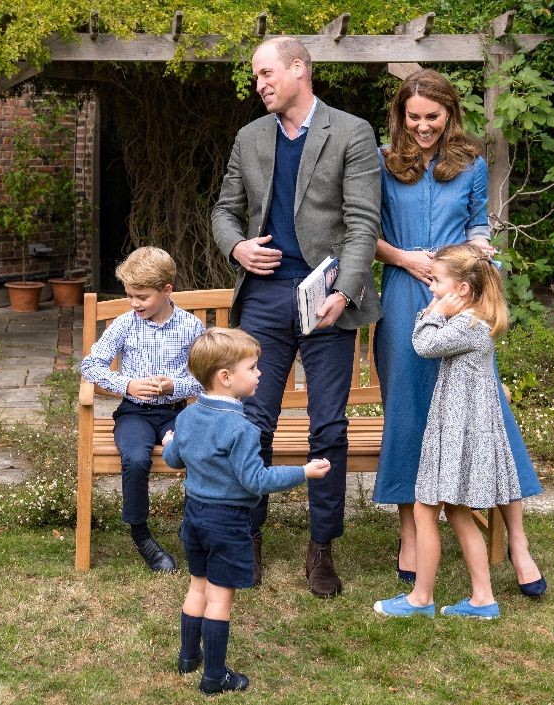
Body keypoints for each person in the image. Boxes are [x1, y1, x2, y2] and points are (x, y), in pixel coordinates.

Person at [212, 36, 381, 595]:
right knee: (253, 423)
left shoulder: (351, 132)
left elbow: (362, 224)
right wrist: (237, 247)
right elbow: (223, 210)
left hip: (327, 300)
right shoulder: (249, 137)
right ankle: (249, 537)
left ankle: (321, 548)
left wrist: (347, 291)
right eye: (256, 76)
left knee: (328, 426)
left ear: (299, 70)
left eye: (265, 74)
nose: (258, 84)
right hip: (263, 299)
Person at [372, 69, 545, 597]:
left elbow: (478, 224)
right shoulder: (381, 162)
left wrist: (476, 250)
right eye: (414, 116)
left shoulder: (469, 163)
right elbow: (366, 232)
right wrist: (406, 259)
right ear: (401, 115)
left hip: (461, 296)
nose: (423, 126)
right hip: (405, 293)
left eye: (433, 116)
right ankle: (409, 532)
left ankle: (516, 541)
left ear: (450, 114)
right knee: (408, 407)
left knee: (487, 409)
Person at [162, 327, 330, 694]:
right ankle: (214, 677)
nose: (260, 374)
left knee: (197, 586)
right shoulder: (242, 429)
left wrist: (168, 441)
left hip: (194, 517)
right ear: (226, 378)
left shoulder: (188, 417)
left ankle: (188, 659)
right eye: (253, 368)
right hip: (227, 522)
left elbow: (174, 459)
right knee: (220, 598)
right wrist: (304, 471)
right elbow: (256, 480)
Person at [374, 244, 527, 619]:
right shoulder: (473, 321)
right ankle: (482, 599)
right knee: (456, 513)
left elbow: (423, 345)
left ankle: (420, 599)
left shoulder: (467, 324)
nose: (431, 288)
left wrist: (433, 313)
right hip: (457, 429)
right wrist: (439, 310)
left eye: (437, 281)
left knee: (426, 511)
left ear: (462, 290)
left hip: (458, 434)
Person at [80, 246, 205, 572]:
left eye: (142, 297)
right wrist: (127, 385)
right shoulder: (125, 324)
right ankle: (141, 535)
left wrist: (174, 386)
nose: (134, 303)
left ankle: (193, 529)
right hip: (134, 413)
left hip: (177, 413)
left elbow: (206, 379)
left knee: (195, 452)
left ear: (166, 290)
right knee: (135, 458)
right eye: (130, 296)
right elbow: (91, 366)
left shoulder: (191, 327)